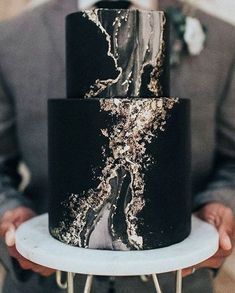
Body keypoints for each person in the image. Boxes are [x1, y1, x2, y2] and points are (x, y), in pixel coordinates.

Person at [0, 0, 234, 292]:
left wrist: (222, 203)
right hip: (44, 280)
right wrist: (10, 214)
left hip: (178, 277)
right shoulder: (10, 38)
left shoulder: (226, 39)